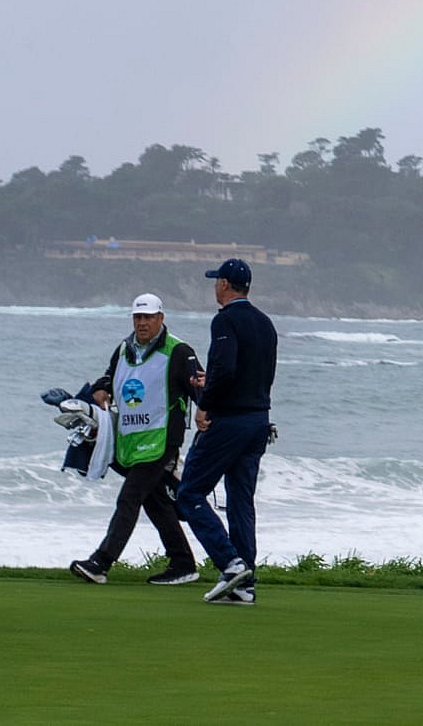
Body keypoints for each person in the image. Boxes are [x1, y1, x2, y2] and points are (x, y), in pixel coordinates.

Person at [67, 293, 203, 585]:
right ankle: (183, 563)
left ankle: (101, 562)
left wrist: (210, 415)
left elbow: (201, 391)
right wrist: (101, 390)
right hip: (130, 442)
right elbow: (108, 378)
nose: (142, 323)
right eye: (138, 317)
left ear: (160, 319)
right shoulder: (124, 349)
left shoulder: (179, 352)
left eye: (148, 317)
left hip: (161, 442)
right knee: (155, 502)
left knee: (129, 497)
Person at [175, 256, 279, 605]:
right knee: (239, 501)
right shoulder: (265, 324)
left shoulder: (225, 321)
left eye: (216, 280)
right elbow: (257, 373)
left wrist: (205, 403)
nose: (214, 286)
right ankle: (245, 584)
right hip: (258, 420)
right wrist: (219, 383)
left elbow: (226, 366)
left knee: (189, 493)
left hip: (230, 421)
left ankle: (230, 563)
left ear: (224, 284)